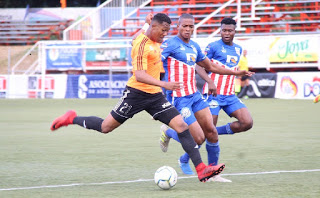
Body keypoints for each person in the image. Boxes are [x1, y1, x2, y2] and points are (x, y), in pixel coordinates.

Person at [50, 13, 225, 183]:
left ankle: (201, 169)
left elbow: (136, 39)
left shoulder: (155, 40)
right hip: (136, 94)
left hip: (155, 96)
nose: (165, 34)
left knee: (181, 125)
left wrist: (145, 25)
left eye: (167, 31)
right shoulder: (142, 45)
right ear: (154, 27)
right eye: (163, 30)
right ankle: (71, 118)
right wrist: (165, 84)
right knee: (106, 127)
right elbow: (140, 75)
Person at [158, 14, 253, 182]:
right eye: (184, 26)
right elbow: (154, 63)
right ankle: (169, 132)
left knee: (211, 132)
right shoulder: (170, 44)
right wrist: (159, 86)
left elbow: (210, 66)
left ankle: (213, 174)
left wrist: (236, 72)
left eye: (190, 27)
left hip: (195, 96)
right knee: (198, 138)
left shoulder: (194, 46)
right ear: (178, 26)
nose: (187, 29)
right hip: (179, 98)